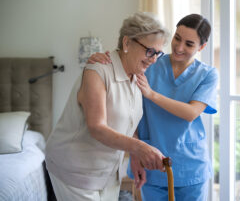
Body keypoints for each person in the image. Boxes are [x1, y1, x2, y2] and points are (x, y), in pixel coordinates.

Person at [88, 14, 218, 201]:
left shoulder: (208, 74)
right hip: (150, 163)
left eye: (189, 44)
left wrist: (151, 94)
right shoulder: (151, 62)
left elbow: (191, 113)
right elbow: (129, 109)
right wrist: (100, 58)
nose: (179, 48)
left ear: (202, 47)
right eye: (177, 38)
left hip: (190, 167)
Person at [45, 12, 170, 201]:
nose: (153, 59)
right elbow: (97, 127)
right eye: (150, 51)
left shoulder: (137, 77)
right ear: (127, 43)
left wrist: (135, 157)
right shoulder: (97, 71)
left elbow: (128, 120)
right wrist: (140, 148)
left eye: (158, 54)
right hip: (75, 170)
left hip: (108, 173)